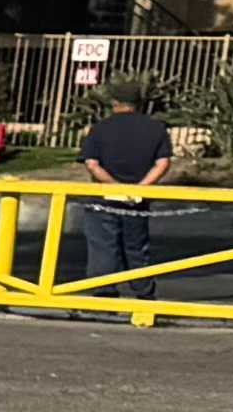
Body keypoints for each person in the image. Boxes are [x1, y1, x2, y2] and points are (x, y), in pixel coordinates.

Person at [74, 88, 177, 297]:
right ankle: (144, 293)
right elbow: (163, 163)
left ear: (114, 103)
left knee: (103, 247)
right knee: (137, 247)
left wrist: (115, 185)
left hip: (104, 198)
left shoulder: (101, 128)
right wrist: (139, 187)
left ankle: (104, 295)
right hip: (137, 200)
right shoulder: (155, 128)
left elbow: (92, 164)